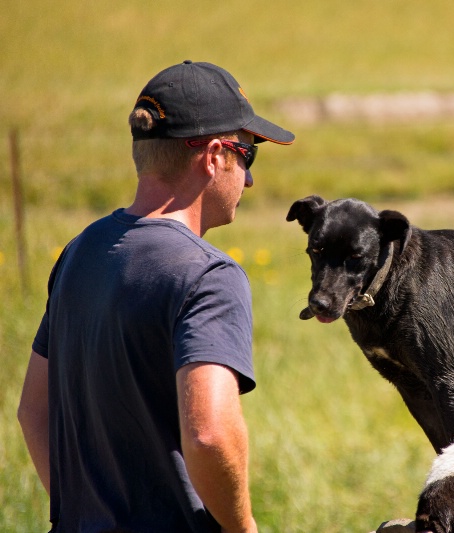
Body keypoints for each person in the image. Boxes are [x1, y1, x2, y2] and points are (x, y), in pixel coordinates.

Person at [17, 60, 294, 533]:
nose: (248, 178)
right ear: (213, 156)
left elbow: (33, 411)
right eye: (248, 154)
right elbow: (208, 435)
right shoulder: (209, 275)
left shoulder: (79, 252)